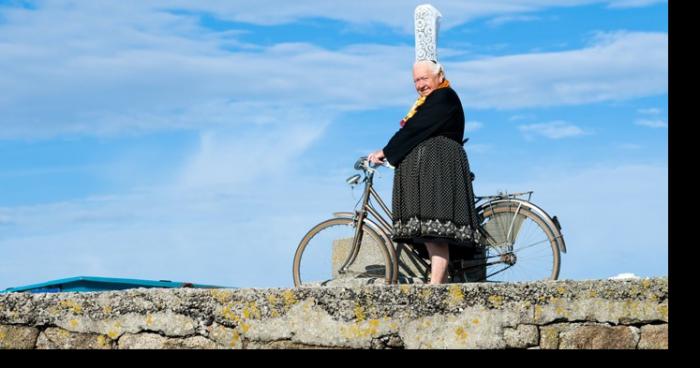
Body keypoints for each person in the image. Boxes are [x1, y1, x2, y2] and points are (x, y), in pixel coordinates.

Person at [368, 60, 481, 284]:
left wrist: (386, 151)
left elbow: (415, 129)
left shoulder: (443, 97)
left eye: (424, 79)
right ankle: (439, 278)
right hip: (433, 169)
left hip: (438, 169)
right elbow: (415, 129)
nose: (420, 85)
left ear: (439, 76)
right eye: (416, 80)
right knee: (429, 228)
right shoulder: (432, 100)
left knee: (434, 227)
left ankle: (435, 284)